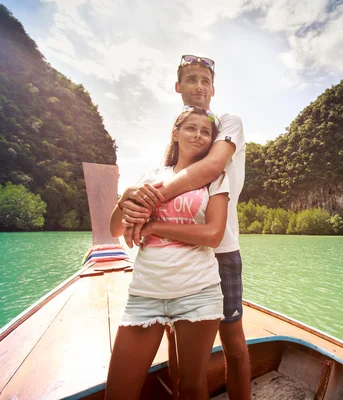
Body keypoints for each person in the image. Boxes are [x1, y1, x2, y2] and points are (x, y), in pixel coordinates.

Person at [120, 55, 251, 400]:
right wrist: (130, 197)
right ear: (178, 88)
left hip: (220, 247)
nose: (198, 87)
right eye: (191, 80)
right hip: (179, 257)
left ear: (213, 88)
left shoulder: (226, 123)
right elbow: (154, 188)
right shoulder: (177, 145)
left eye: (205, 81)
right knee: (177, 348)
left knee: (234, 343)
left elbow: (211, 167)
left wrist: (148, 206)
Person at [106, 106, 229, 400]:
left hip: (198, 292)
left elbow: (213, 235)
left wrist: (154, 227)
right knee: (118, 392)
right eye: (191, 128)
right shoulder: (151, 177)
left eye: (205, 131)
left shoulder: (216, 178)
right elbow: (114, 230)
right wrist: (124, 199)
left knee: (191, 388)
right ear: (175, 133)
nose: (198, 135)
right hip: (145, 295)